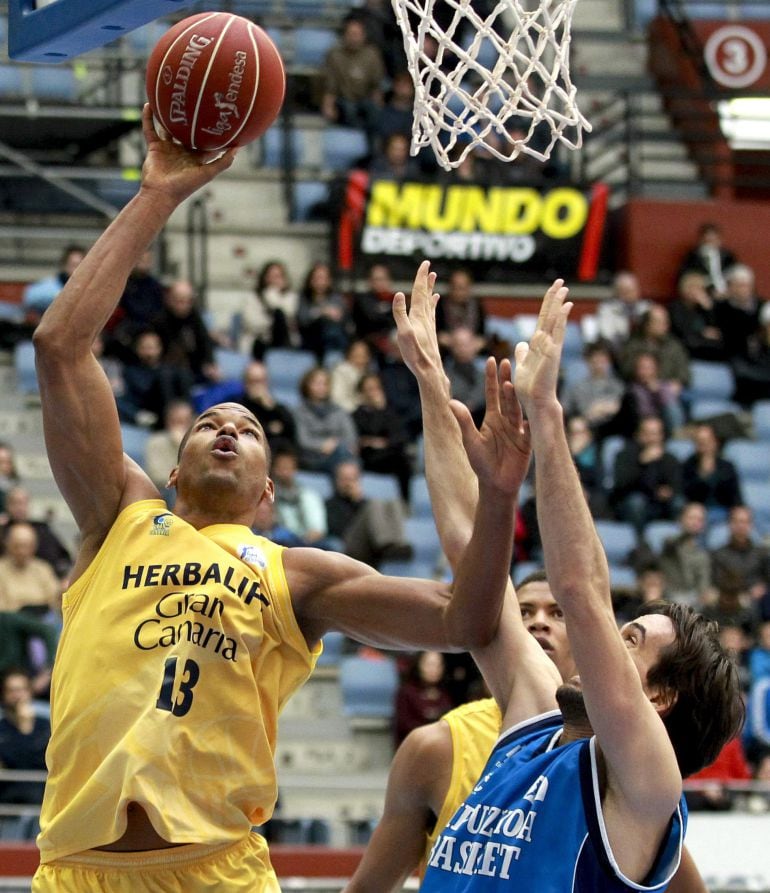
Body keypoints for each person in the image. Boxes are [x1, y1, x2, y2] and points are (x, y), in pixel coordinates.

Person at [30, 111, 519, 891]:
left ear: (267, 493)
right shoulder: (119, 514)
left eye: (248, 427)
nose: (227, 428)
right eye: (208, 423)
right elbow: (60, 347)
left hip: (217, 870)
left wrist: (498, 497)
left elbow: (468, 617)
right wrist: (157, 194)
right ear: (174, 472)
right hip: (75, 870)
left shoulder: (297, 574)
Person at [346, 278, 707, 892]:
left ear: (659, 698)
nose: (603, 637)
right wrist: (432, 383)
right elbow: (468, 551)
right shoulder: (537, 719)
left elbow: (582, 592)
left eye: (632, 639)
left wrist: (546, 412)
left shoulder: (644, 784)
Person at [325, 459, 411, 567]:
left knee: (395, 502)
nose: (349, 483)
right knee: (375, 503)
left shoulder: (364, 502)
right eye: (345, 479)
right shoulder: (330, 504)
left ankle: (398, 544)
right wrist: (354, 502)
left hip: (370, 546)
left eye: (353, 479)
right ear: (336, 480)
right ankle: (385, 545)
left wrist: (358, 501)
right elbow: (336, 529)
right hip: (348, 545)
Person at [0, 668, 51, 840]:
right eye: (11, 690)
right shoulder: (2, 729)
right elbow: (14, 761)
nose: (17, 695)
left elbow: (45, 761)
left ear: (30, 691)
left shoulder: (46, 726)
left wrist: (27, 727)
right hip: (9, 810)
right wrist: (24, 728)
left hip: (44, 810)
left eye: (21, 689)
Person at [351, 372, 412, 502]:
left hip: (390, 454)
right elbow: (367, 434)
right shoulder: (356, 415)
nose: (374, 392)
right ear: (361, 393)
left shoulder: (389, 412)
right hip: (369, 457)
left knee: (403, 459)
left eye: (377, 388)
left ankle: (405, 502)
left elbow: (401, 436)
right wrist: (378, 410)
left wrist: (383, 442)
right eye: (369, 389)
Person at [293, 366, 358, 474]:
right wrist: (323, 445)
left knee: (347, 456)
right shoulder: (299, 412)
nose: (321, 387)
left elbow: (351, 437)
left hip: (340, 453)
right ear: (306, 385)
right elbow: (302, 440)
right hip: (313, 457)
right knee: (347, 459)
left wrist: (335, 445)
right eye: (317, 383)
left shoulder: (339, 411)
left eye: (325, 383)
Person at [232, 361, 297, 452]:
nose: (258, 386)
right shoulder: (237, 406)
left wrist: (271, 407)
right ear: (245, 383)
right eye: (253, 381)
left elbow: (291, 432)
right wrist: (270, 429)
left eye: (261, 381)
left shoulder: (276, 407)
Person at [394, 650, 454, 745]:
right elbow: (404, 725)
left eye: (438, 665)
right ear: (419, 664)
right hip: (413, 748)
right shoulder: (407, 692)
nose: (434, 669)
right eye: (429, 664)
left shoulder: (445, 694)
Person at [0, 523, 61, 616]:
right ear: (8, 545)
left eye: (27, 546)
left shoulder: (43, 568)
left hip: (43, 620)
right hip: (11, 623)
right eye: (17, 546)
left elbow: (54, 600)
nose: (22, 551)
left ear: (34, 546)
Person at [22, 245, 85, 324]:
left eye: (82, 265)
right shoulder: (50, 285)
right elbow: (29, 297)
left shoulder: (87, 290)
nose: (78, 269)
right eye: (74, 265)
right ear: (65, 266)